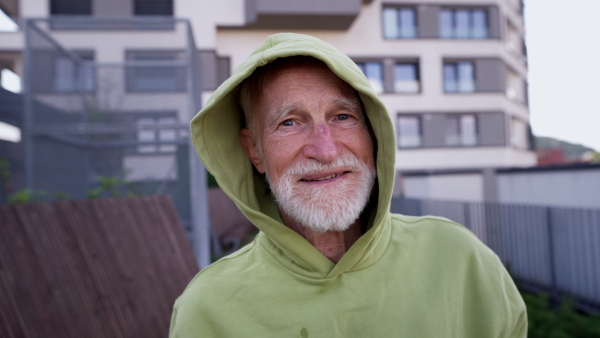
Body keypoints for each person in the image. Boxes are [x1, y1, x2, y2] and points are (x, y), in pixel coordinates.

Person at [169, 33, 527, 337]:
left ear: (373, 132)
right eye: (290, 123)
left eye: (342, 117)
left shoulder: (460, 262)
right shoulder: (208, 311)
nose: (324, 150)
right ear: (254, 151)